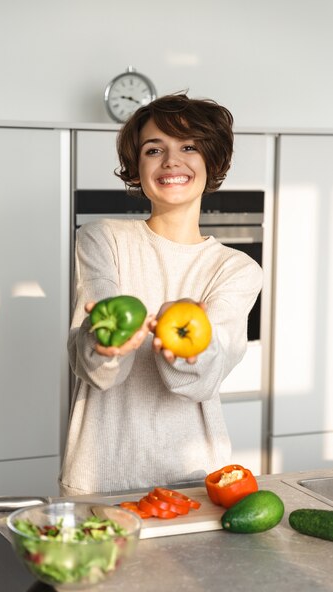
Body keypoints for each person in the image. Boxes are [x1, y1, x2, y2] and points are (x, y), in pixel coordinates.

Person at [59, 93, 263, 496]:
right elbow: (94, 371)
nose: (172, 160)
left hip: (197, 481)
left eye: (188, 147)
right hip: (101, 477)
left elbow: (203, 380)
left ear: (212, 162)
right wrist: (106, 345)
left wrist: (189, 352)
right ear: (137, 167)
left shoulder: (237, 269)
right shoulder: (101, 239)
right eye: (155, 149)